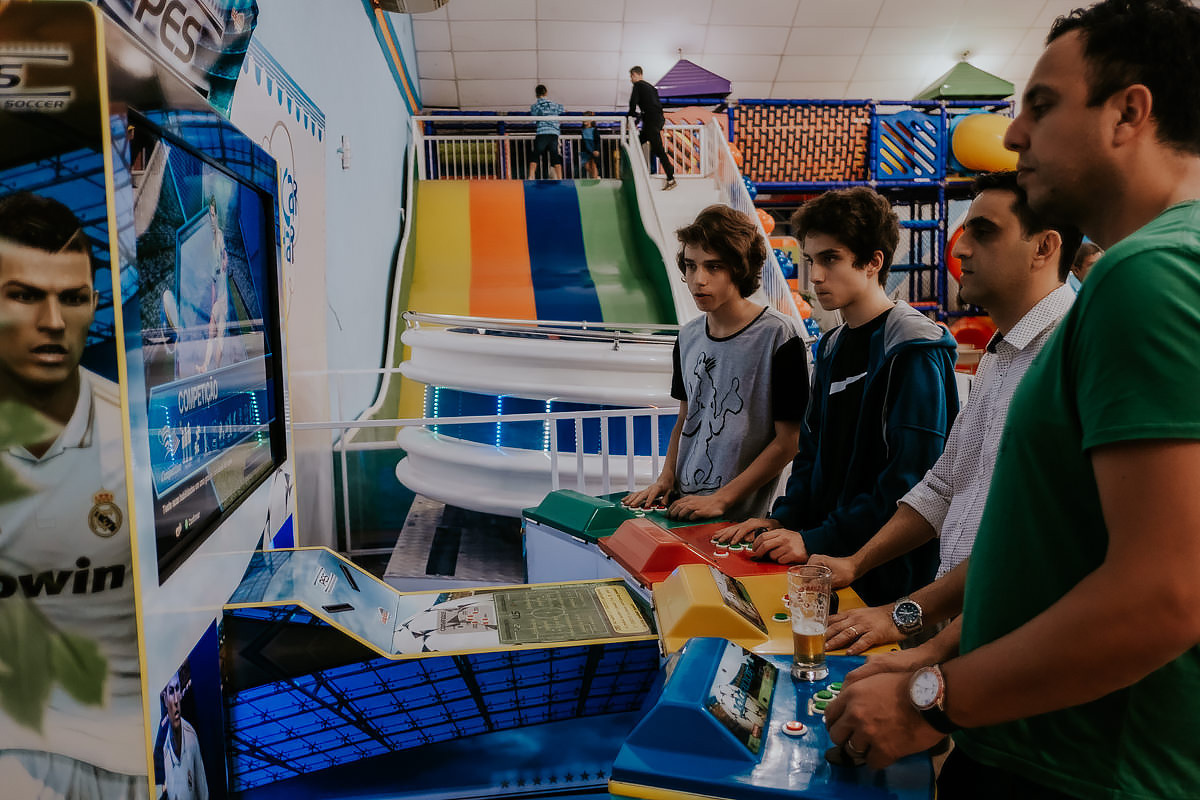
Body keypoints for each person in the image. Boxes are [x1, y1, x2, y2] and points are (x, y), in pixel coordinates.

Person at [824, 4, 1200, 800]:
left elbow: (1165, 593)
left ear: (1129, 113)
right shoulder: (1154, 272)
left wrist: (933, 700)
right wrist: (932, 645)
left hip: (1080, 761)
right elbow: (1056, 550)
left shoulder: (1148, 277)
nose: (1016, 135)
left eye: (1041, 105)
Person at [812, 170, 1080, 655]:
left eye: (984, 232)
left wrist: (906, 618)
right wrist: (856, 562)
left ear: (1044, 248)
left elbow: (1029, 543)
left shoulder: (1070, 354)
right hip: (963, 621)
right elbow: (942, 486)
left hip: (1020, 640)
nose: (959, 250)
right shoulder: (1002, 354)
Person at [718, 187, 959, 607]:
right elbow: (811, 455)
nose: (816, 276)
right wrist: (780, 521)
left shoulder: (913, 347)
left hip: (892, 576)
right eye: (811, 260)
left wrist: (815, 538)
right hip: (828, 561)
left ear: (873, 262)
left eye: (831, 259)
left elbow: (912, 479)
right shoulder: (830, 346)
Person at [0, 191, 144, 797]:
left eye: (74, 298)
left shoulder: (140, 443)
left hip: (134, 762)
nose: (54, 322)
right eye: (26, 295)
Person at [623, 205, 808, 521]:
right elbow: (685, 419)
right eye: (691, 266)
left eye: (714, 267)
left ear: (739, 268)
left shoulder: (779, 335)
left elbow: (789, 442)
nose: (698, 280)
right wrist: (666, 478)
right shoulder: (689, 336)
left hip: (734, 519)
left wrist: (721, 500)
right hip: (682, 506)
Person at [159, 666, 208, 800]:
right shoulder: (164, 751)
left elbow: (203, 793)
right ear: (164, 698)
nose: (175, 699)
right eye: (171, 691)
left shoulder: (191, 737)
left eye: (177, 689)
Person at [628, 66, 676, 190]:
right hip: (657, 119)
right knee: (638, 143)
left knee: (657, 148)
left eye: (631, 77)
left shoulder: (638, 86)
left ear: (635, 75)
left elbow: (633, 103)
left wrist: (630, 116)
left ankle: (671, 177)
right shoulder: (651, 87)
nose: (631, 80)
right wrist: (639, 117)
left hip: (651, 120)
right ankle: (635, 171)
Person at [527, 84, 564, 180]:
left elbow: (534, 120)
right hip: (553, 133)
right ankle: (560, 178)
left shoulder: (535, 107)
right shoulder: (555, 105)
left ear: (536, 94)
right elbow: (562, 109)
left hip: (542, 132)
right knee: (555, 155)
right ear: (546, 92)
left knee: (535, 154)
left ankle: (531, 176)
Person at [580, 111, 601, 179]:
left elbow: (597, 140)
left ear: (591, 120)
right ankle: (595, 176)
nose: (584, 120)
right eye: (583, 118)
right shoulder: (582, 130)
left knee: (593, 164)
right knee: (586, 166)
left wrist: (597, 150)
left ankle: (595, 178)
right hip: (586, 150)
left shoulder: (594, 130)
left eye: (586, 118)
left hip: (593, 149)